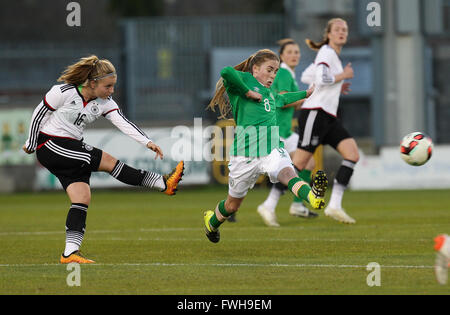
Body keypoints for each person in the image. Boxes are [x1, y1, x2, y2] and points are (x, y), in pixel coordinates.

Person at [23, 55, 184, 264]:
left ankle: (69, 253)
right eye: (108, 86)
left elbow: (123, 122)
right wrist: (31, 142)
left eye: (113, 86)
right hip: (50, 145)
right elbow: (39, 115)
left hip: (69, 149)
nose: (111, 91)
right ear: (93, 82)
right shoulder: (62, 92)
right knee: (106, 160)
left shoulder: (105, 103)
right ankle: (162, 183)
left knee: (81, 198)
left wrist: (147, 142)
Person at [204, 49, 328, 243]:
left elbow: (283, 99)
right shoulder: (243, 81)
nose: (272, 75)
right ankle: (211, 223)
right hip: (244, 154)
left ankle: (313, 198)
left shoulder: (270, 93)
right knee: (232, 206)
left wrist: (307, 92)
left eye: (276, 71)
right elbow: (226, 71)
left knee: (288, 173)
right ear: (255, 69)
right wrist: (247, 91)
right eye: (269, 70)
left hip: (271, 149)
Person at [292, 18, 357, 224]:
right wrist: (343, 76)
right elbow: (322, 78)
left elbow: (307, 76)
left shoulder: (331, 55)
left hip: (328, 116)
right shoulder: (327, 52)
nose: (342, 32)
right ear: (328, 34)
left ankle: (335, 206)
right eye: (337, 29)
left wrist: (337, 85)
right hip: (315, 113)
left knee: (352, 154)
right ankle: (269, 203)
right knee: (299, 164)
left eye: (344, 30)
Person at [257, 38, 318, 228]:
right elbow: (282, 99)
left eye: (297, 52)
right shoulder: (282, 72)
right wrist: (306, 98)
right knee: (290, 168)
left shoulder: (288, 73)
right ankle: (269, 205)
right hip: (278, 132)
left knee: (309, 162)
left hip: (285, 131)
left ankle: (298, 205)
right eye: (290, 52)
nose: (294, 55)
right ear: (282, 56)